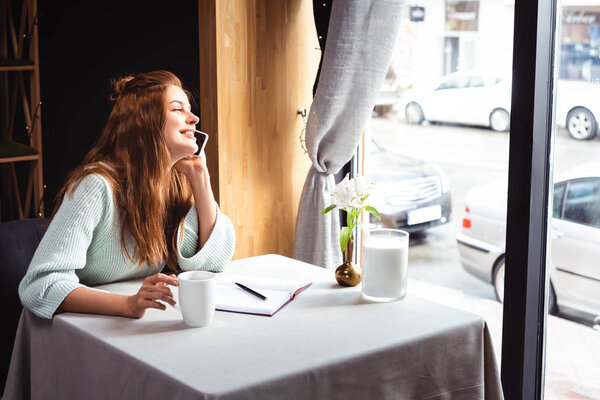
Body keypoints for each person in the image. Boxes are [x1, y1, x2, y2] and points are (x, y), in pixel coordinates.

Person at [19, 70, 235, 319]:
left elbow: (212, 263)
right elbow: (40, 286)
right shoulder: (95, 186)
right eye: (178, 110)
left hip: (127, 325)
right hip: (81, 327)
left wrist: (201, 178)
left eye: (189, 110)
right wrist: (128, 305)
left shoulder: (169, 187)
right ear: (145, 122)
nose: (194, 118)